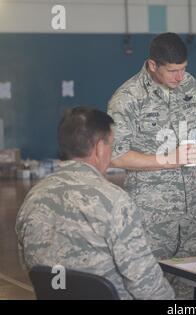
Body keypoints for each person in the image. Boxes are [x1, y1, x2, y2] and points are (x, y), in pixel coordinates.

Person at [15, 107, 174, 300]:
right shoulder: (115, 201)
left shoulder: (33, 198)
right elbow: (146, 283)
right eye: (111, 145)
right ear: (99, 148)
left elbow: (32, 269)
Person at [107, 33, 196, 298]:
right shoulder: (127, 98)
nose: (180, 77)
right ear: (153, 65)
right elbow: (115, 155)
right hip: (152, 220)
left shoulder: (189, 84)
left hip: (195, 216)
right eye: (173, 71)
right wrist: (168, 160)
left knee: (193, 289)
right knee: (151, 290)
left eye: (183, 69)